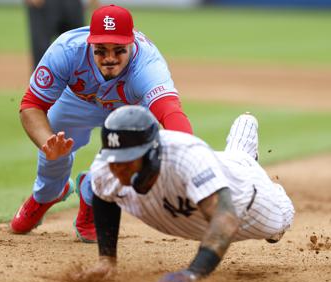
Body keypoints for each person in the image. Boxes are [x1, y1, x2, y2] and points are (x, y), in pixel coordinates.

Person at [10, 5, 193, 244]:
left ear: (132, 43)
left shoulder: (148, 65)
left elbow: (170, 113)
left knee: (131, 157)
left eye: (119, 50)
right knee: (52, 151)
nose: (109, 58)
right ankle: (46, 195)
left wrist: (191, 158)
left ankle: (91, 191)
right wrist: (47, 143)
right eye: (101, 50)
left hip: (128, 109)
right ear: (90, 42)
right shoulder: (67, 49)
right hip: (75, 101)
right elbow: (31, 105)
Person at [74, 105, 295, 282]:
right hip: (215, 171)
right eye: (114, 160)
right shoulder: (106, 167)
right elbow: (102, 195)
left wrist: (193, 274)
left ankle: (253, 153)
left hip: (248, 203)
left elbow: (226, 220)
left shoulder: (187, 156)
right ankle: (243, 146)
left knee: (278, 221)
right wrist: (106, 260)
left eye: (128, 160)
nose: (118, 169)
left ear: (151, 153)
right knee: (234, 158)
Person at [25, 0, 100, 69]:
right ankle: (40, 82)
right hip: (43, 3)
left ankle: (79, 82)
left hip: (72, 3)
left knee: (78, 47)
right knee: (40, 48)